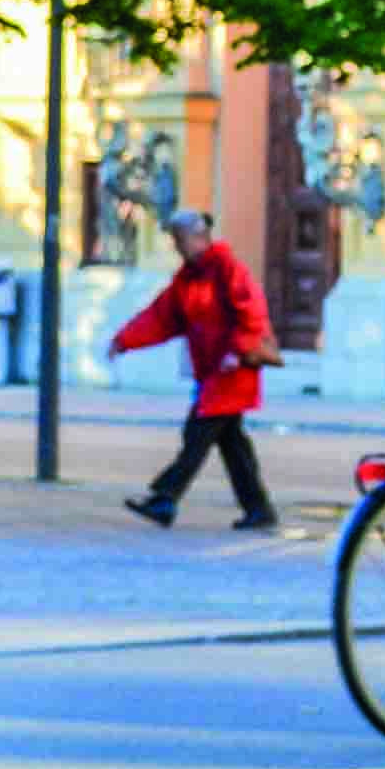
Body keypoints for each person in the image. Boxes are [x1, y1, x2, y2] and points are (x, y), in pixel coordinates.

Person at [107, 209, 280, 531]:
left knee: (197, 435)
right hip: (213, 371)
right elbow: (161, 317)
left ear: (200, 238)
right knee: (233, 445)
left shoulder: (228, 269)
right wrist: (125, 340)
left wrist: (238, 350)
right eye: (175, 240)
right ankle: (259, 509)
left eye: (180, 240)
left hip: (232, 371)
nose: (177, 247)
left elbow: (252, 312)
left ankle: (165, 498)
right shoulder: (187, 278)